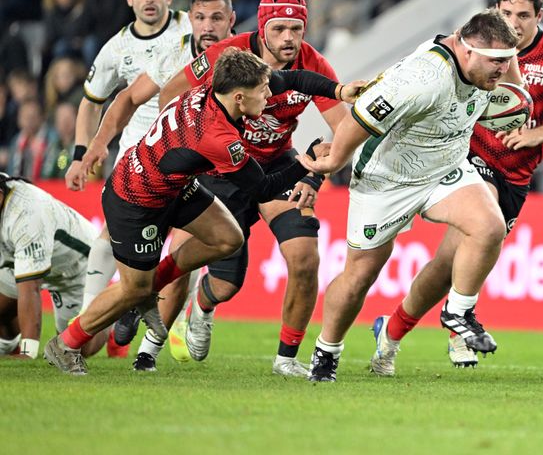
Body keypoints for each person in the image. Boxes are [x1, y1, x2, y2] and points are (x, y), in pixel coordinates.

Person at [44, 49, 339, 376]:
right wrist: (306, 162)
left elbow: (292, 79)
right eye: (263, 91)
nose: (269, 96)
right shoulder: (218, 138)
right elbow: (263, 189)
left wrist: (339, 91)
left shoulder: (213, 88)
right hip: (136, 199)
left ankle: (152, 286)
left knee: (228, 238)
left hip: (171, 185)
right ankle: (66, 343)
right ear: (240, 98)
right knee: (132, 290)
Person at [367, 0, 543, 375]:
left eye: (524, 15)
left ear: (539, 15)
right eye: (506, 12)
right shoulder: (472, 44)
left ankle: (392, 330)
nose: (514, 23)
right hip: (465, 158)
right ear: (496, 9)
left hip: (516, 176)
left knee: (445, 264)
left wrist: (537, 136)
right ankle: (458, 323)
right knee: (479, 222)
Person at [298, 8, 520, 382]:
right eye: (495, 62)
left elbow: (492, 68)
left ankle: (459, 312)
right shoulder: (421, 79)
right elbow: (360, 117)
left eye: (506, 60)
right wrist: (334, 160)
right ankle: (326, 351)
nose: (502, 70)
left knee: (489, 226)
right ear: (466, 51)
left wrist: (517, 95)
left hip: (444, 167)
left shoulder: (479, 60)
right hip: (388, 179)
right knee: (360, 274)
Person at [158, 0, 354, 377]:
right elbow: (170, 94)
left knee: (304, 257)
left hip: (277, 163)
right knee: (224, 282)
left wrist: (314, 175)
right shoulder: (226, 55)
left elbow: (344, 130)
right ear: (262, 28)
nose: (287, 38)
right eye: (278, 28)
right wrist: (194, 146)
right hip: (223, 166)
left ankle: (286, 358)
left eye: (295, 29)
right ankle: (200, 305)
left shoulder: (313, 63)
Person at [63, 0, 191, 357]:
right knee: (111, 236)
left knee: (190, 235)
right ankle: (88, 314)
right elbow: (91, 102)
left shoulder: (191, 29)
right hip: (137, 152)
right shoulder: (116, 49)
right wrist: (81, 153)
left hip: (187, 146)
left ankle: (180, 316)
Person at [0, 174, 104, 360]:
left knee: (75, 349)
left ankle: (114, 317)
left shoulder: (26, 213)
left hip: (75, 267)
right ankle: (11, 346)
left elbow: (30, 287)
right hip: (18, 260)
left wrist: (28, 354)